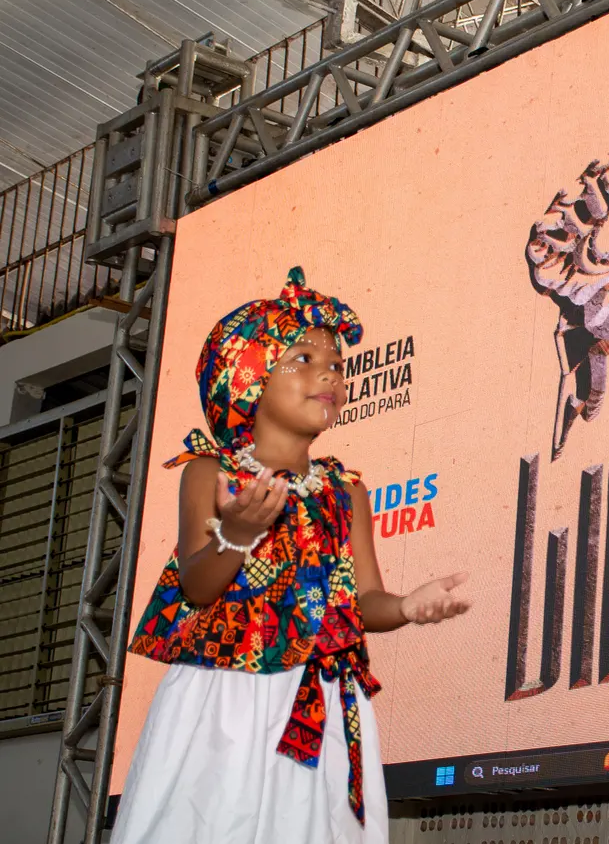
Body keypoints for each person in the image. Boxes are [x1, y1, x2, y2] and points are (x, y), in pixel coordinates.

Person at [112, 267, 471, 844]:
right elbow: (198, 587)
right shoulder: (211, 472)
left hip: (321, 701)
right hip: (226, 697)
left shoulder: (347, 490)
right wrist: (236, 533)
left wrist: (406, 606)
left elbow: (362, 601)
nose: (329, 373)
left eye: (337, 365)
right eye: (302, 359)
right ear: (248, 375)